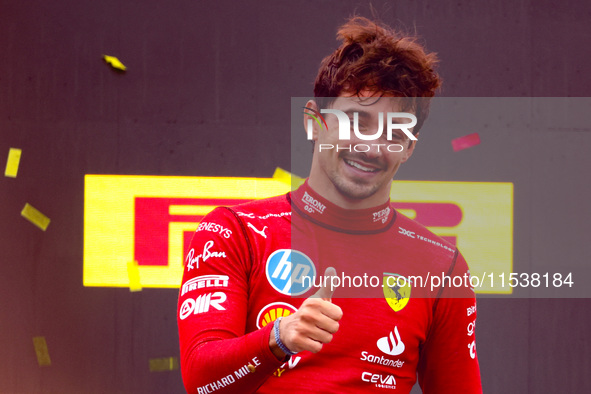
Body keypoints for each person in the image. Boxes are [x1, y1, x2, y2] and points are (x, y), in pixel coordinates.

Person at [177, 16, 482, 393]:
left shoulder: (441, 265)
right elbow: (199, 381)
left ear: (408, 148)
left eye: (393, 132)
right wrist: (279, 339)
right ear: (313, 121)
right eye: (355, 119)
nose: (370, 147)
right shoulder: (234, 232)